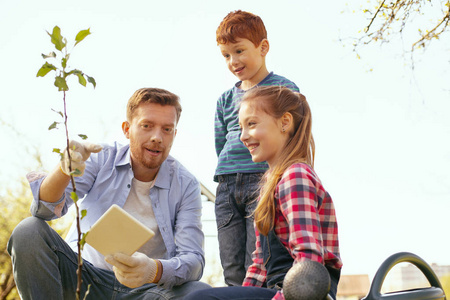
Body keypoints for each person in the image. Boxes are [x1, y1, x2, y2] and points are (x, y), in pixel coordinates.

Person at [7, 88, 211, 300]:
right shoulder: (100, 158)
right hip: (82, 274)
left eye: (167, 129)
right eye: (146, 126)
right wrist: (63, 170)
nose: (157, 137)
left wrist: (153, 270)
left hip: (144, 291)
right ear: (127, 129)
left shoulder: (186, 185)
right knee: (27, 231)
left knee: (199, 292)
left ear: (174, 134)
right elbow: (44, 210)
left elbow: (193, 259)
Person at [186, 86, 343, 300]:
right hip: (276, 289)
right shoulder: (270, 184)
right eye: (240, 127)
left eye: (251, 124)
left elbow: (309, 261)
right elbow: (260, 264)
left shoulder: (295, 176)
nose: (243, 136)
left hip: (303, 293)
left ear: (284, 122)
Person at [214, 10, 300, 286]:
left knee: (259, 259)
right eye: (226, 55)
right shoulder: (225, 99)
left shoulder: (283, 89)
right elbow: (221, 141)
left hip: (262, 182)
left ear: (263, 47)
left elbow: (295, 136)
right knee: (231, 265)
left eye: (239, 51)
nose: (233, 61)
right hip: (226, 187)